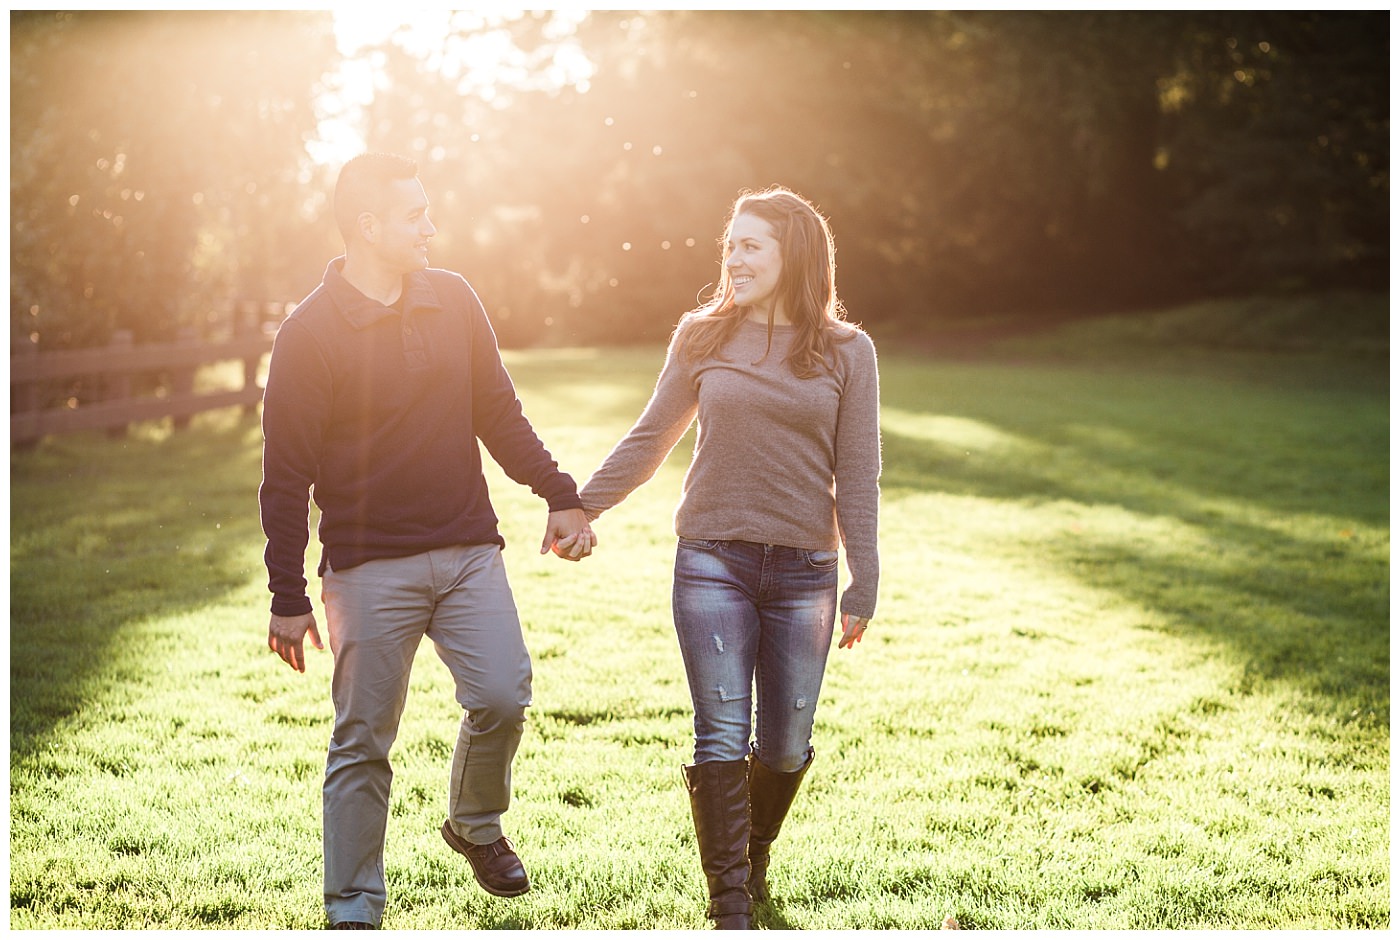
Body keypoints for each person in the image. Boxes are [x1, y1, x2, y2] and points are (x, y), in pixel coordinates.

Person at [259, 152, 595, 930]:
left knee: (503, 694)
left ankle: (473, 825)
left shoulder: (454, 299)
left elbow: (499, 412)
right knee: (363, 743)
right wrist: (287, 596)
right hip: (368, 569)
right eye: (415, 215)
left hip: (469, 550)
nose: (431, 227)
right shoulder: (308, 334)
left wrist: (560, 495)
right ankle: (353, 910)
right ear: (369, 226)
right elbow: (286, 477)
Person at [564, 186, 881, 929]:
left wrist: (864, 576)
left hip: (805, 571)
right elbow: (651, 437)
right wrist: (582, 503)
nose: (732, 258)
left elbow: (857, 471)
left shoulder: (846, 351)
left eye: (750, 245)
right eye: (729, 244)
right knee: (720, 729)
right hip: (712, 560)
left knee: (786, 738)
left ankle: (751, 853)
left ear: (794, 253)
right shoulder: (702, 336)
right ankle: (729, 902)